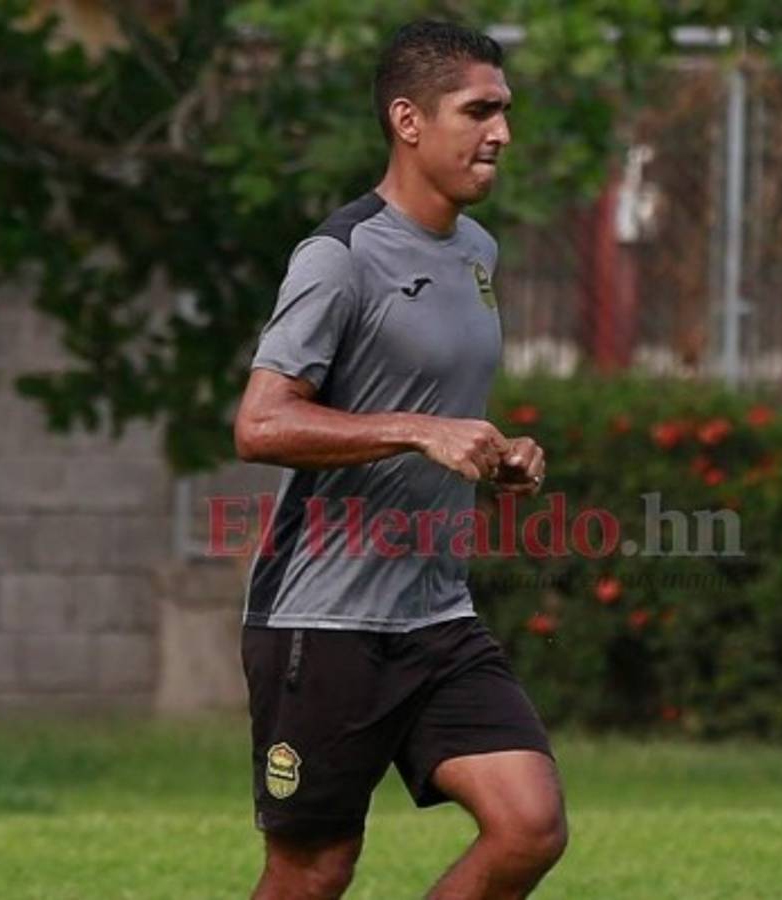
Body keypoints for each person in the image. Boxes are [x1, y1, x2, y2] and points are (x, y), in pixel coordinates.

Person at [232, 19, 567, 900]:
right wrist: (420, 430)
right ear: (408, 121)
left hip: (434, 614)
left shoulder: (478, 255)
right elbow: (261, 424)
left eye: (504, 111)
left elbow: (441, 419)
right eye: (479, 110)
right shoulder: (338, 258)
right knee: (313, 871)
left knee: (528, 825)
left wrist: (495, 457)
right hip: (324, 621)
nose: (501, 132)